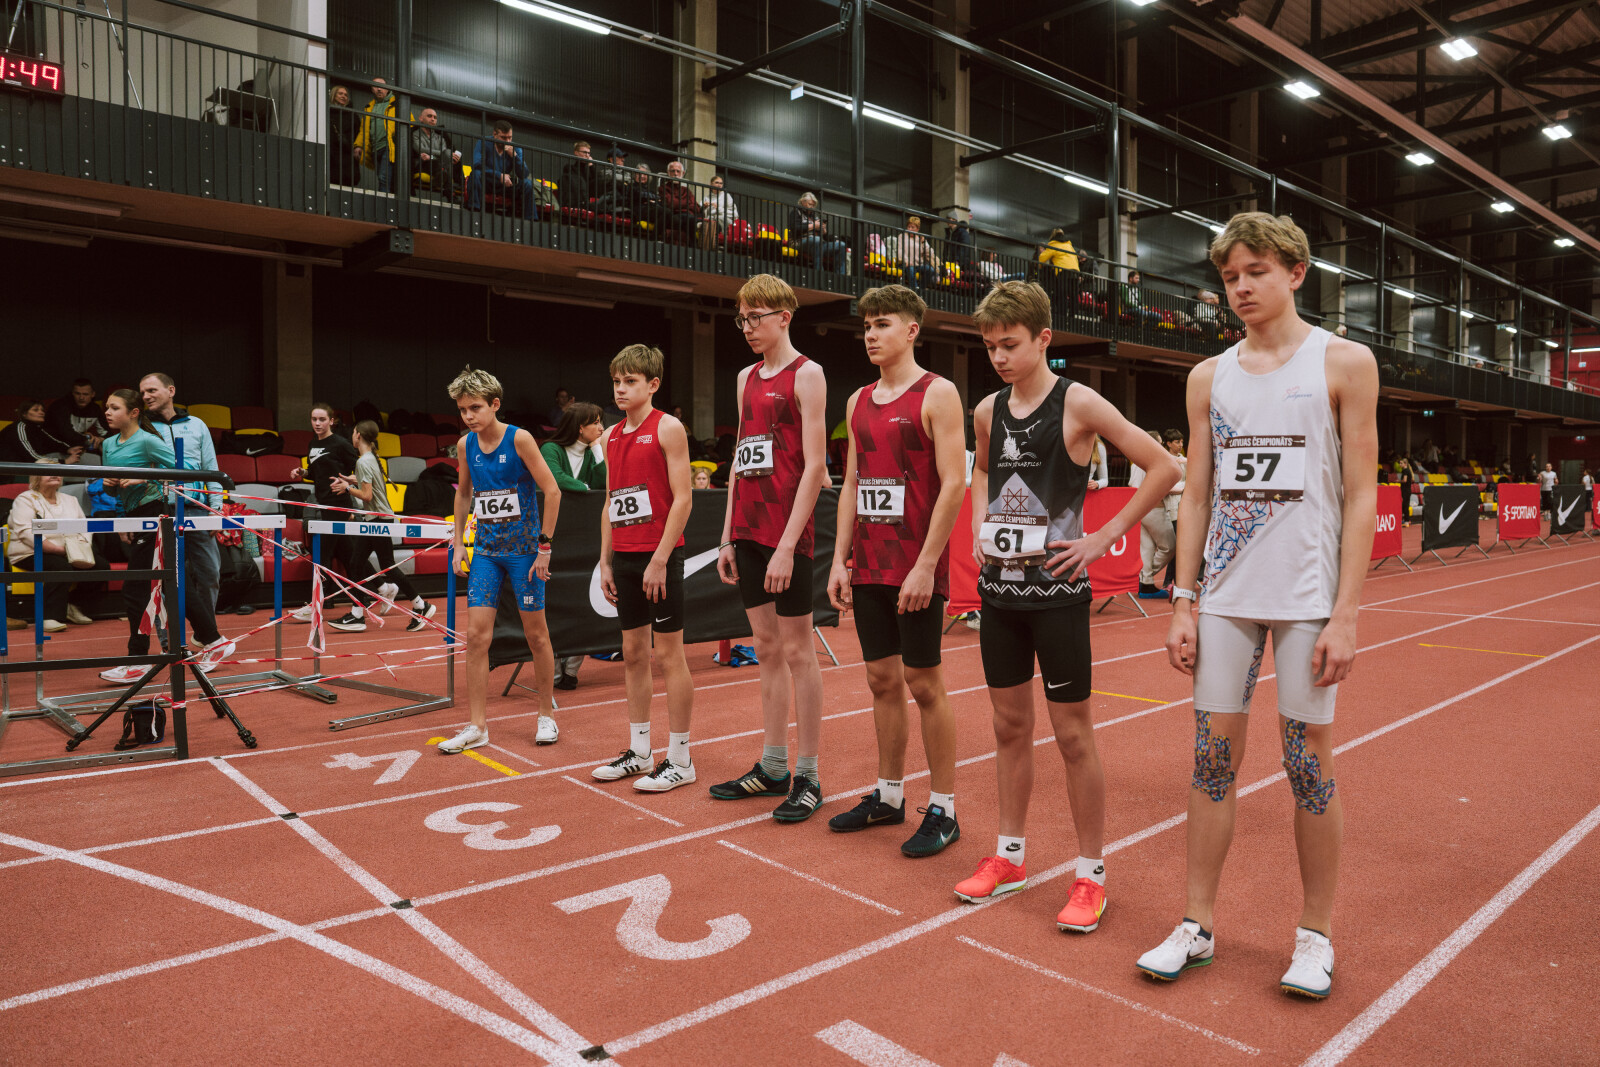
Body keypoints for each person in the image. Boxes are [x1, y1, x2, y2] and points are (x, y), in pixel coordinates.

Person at [1136, 211, 1379, 1001]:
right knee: (1210, 761)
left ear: (1296, 272)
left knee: (1308, 766)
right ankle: (1196, 923)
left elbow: (1363, 493)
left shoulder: (1344, 362)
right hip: (1227, 599)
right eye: (1229, 276)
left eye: (1256, 272)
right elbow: (1196, 492)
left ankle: (1315, 934)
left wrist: (1346, 612)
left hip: (1308, 598)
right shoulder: (1209, 377)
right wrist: (1182, 599)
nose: (1239, 287)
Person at [952, 281, 1179, 936]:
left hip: (1057, 596)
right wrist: (979, 522)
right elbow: (983, 471)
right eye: (990, 347)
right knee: (1007, 727)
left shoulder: (1077, 402)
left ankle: (1090, 873)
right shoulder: (988, 410)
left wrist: (1104, 537)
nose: (999, 357)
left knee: (1073, 735)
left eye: (1010, 345)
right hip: (1000, 593)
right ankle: (1010, 856)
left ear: (1044, 339)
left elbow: (1164, 466)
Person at [825, 285, 966, 856]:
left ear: (911, 330)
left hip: (916, 564)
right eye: (866, 326)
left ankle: (944, 809)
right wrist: (840, 558)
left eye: (882, 324)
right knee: (880, 680)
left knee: (924, 683)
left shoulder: (939, 393)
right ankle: (888, 796)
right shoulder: (858, 400)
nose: (871, 335)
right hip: (869, 564)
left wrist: (927, 565)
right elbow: (852, 484)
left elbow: (953, 484)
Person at [711, 274, 829, 821]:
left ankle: (808, 775)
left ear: (784, 317)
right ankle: (774, 765)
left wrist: (786, 546)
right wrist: (727, 534)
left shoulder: (808, 374)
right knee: (765, 645)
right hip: (748, 529)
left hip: (788, 534)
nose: (747, 327)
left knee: (799, 651)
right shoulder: (745, 378)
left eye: (755, 317)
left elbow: (815, 467)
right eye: (741, 318)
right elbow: (741, 458)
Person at [439, 367, 563, 753]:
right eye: (462, 410)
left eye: (475, 408)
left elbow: (553, 491)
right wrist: (459, 542)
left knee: (536, 635)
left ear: (495, 404)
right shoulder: (465, 445)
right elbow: (464, 494)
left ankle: (546, 715)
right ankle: (477, 726)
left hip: (525, 553)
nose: (468, 416)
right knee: (477, 638)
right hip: (487, 554)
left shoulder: (520, 439)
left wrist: (544, 547)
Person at [591, 345, 697, 792]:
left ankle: (681, 758)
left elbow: (684, 499)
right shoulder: (610, 436)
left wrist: (659, 559)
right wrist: (605, 560)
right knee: (633, 653)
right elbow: (611, 502)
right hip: (626, 557)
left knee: (669, 655)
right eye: (617, 381)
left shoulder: (668, 428)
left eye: (630, 381)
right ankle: (639, 752)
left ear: (652, 385)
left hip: (660, 558)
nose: (621, 389)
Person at [141, 372, 234, 667]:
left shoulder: (196, 425)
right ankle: (170, 645)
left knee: (210, 574)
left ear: (170, 390)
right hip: (161, 511)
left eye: (151, 390)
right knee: (167, 580)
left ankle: (206, 637)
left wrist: (216, 509)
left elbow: (211, 466)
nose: (146, 396)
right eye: (142, 392)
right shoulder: (143, 427)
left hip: (197, 509)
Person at [95, 389, 180, 685]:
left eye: (114, 407)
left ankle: (138, 659)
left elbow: (185, 470)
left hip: (156, 512)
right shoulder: (108, 444)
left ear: (133, 413)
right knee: (167, 584)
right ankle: (212, 638)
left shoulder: (147, 440)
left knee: (136, 588)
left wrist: (146, 476)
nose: (107, 412)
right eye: (106, 407)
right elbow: (113, 490)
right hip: (133, 516)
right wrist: (109, 486)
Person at [331, 420, 438, 633]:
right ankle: (358, 613)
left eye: (353, 432)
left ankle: (419, 605)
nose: (352, 435)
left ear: (358, 435)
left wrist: (347, 488)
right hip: (377, 519)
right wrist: (351, 479)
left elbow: (367, 495)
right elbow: (369, 482)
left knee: (382, 564)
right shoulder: (370, 458)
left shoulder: (363, 461)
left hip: (378, 520)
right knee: (358, 563)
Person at [539, 402, 608, 690]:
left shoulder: (592, 453)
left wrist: (597, 449)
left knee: (582, 602)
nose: (602, 428)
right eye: (596, 423)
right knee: (555, 603)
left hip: (584, 538)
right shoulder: (551, 449)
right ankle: (553, 671)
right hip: (552, 538)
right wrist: (586, 491)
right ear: (580, 427)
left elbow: (605, 483)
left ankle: (571, 671)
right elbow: (555, 478)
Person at [289, 402, 376, 630]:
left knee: (322, 555)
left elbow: (361, 471)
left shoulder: (340, 444)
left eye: (322, 419)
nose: (317, 423)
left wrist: (346, 482)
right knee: (349, 556)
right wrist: (303, 472)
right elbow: (316, 472)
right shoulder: (312, 444)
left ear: (331, 421)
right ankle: (382, 587)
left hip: (339, 505)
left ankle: (316, 604)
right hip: (324, 504)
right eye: (314, 419)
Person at [5, 459, 105, 632]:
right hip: (30, 552)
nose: (54, 475)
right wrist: (58, 550)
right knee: (60, 567)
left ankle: (73, 605)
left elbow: (84, 528)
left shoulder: (71, 499)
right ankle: (49, 617)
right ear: (36, 477)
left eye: (57, 471)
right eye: (48, 471)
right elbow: (25, 532)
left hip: (70, 551)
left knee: (102, 566)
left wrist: (80, 547)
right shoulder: (25, 499)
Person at [1131, 431, 1174, 599]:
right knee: (1170, 546)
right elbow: (1138, 487)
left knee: (1147, 548)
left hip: (1142, 509)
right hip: (1153, 508)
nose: (1162, 446)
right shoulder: (1147, 460)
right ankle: (1144, 578)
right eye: (1160, 442)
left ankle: (1145, 583)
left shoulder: (1138, 459)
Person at [467, 120, 533, 219]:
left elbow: (524, 174)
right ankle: (474, 211)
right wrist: (499, 175)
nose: (507, 141)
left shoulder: (515, 148)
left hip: (505, 185)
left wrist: (515, 156)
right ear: (495, 134)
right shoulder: (484, 142)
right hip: (487, 182)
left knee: (527, 183)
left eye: (510, 137)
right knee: (475, 174)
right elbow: (476, 164)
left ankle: (530, 219)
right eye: (504, 138)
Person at [1, 401, 81, 479]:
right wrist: (64, 462)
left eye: (42, 410)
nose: (41, 413)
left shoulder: (37, 428)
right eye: (36, 410)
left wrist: (68, 449)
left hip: (21, 471)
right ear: (24, 414)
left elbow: (53, 443)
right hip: (8, 473)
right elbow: (31, 457)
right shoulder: (19, 428)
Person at [352, 77, 404, 192]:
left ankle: (383, 200)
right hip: (375, 148)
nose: (379, 89)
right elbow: (364, 130)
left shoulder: (397, 103)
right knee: (382, 178)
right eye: (375, 86)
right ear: (372, 89)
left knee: (383, 178)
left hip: (389, 146)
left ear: (387, 89)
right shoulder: (369, 107)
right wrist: (358, 145)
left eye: (382, 86)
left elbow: (409, 124)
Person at [45, 379, 109, 452]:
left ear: (93, 394)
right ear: (72, 393)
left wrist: (100, 439)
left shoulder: (95, 409)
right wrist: (87, 438)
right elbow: (67, 433)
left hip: (78, 447)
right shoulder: (60, 406)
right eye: (77, 393)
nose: (81, 398)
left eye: (85, 394)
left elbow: (107, 433)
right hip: (55, 448)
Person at [411, 107, 462, 197]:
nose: (433, 119)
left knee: (446, 156)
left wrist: (431, 156)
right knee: (446, 156)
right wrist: (442, 154)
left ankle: (441, 180)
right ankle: (449, 192)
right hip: (423, 163)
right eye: (429, 116)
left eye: (435, 117)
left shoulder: (440, 137)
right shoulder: (415, 134)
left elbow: (444, 155)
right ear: (421, 118)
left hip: (437, 163)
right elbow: (421, 149)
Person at [656, 160, 701, 242]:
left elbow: (696, 207)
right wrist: (687, 203)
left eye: (678, 171)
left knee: (691, 220)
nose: (675, 174)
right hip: (674, 216)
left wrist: (679, 203)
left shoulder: (686, 190)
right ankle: (693, 245)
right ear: (668, 173)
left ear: (683, 173)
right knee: (687, 221)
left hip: (688, 216)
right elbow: (670, 204)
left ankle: (692, 245)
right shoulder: (663, 188)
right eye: (673, 171)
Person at [893, 216, 941, 291]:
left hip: (918, 265)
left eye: (912, 227)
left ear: (917, 229)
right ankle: (914, 289)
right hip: (905, 263)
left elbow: (930, 253)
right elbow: (900, 251)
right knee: (911, 269)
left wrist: (923, 242)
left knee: (930, 270)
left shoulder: (920, 238)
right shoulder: (902, 236)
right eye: (908, 227)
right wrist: (906, 260)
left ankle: (921, 289)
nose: (910, 229)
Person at [328, 85, 362, 186]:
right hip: (332, 151)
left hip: (348, 151)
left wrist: (358, 146)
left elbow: (359, 132)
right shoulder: (326, 112)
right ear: (334, 95)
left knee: (348, 178)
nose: (343, 96)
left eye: (346, 95)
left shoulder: (352, 115)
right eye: (340, 94)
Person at [701, 174, 738, 246]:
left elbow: (735, 214)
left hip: (725, 220)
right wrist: (704, 207)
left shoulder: (726, 196)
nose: (719, 185)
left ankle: (721, 242)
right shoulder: (707, 197)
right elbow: (700, 210)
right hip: (711, 221)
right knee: (707, 222)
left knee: (718, 219)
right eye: (717, 183)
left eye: (721, 183)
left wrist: (718, 208)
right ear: (711, 184)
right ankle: (708, 245)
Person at [559, 141, 597, 208]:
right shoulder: (569, 168)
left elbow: (595, 183)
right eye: (584, 152)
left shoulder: (590, 169)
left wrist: (591, 165)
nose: (587, 155)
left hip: (587, 199)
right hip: (575, 200)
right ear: (576, 153)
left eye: (588, 153)